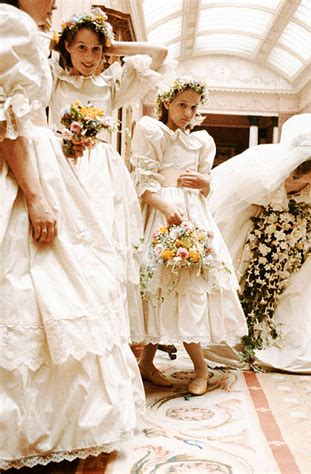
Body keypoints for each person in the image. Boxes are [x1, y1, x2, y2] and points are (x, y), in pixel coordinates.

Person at [0, 1, 144, 469]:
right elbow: (9, 125)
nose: (56, 2)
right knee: (45, 294)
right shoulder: (13, 25)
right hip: (28, 173)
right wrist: (36, 196)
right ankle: (47, 429)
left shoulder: (27, 31)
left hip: (50, 166)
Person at [204, 114, 311, 374]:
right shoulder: (266, 179)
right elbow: (246, 199)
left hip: (304, 227)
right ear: (302, 167)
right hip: (260, 224)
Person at [48, 8, 168, 332]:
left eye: (96, 49)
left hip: (101, 172)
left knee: (100, 245)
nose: (89, 56)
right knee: (65, 244)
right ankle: (66, 320)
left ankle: (99, 326)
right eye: (81, 47)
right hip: (61, 162)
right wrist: (62, 42)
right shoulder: (53, 78)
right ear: (67, 48)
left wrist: (111, 45)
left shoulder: (110, 84)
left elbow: (159, 54)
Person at [130, 77, 248, 396]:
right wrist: (166, 207)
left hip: (193, 215)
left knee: (190, 285)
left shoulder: (201, 141)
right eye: (182, 104)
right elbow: (142, 185)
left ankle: (200, 369)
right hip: (163, 213)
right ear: (168, 103)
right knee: (160, 286)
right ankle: (147, 363)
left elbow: (207, 187)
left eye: (194, 107)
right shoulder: (152, 133)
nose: (188, 112)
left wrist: (203, 184)